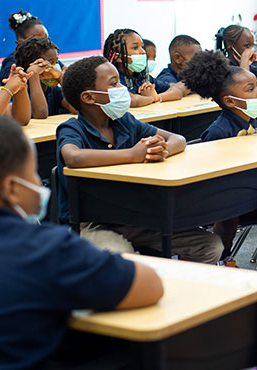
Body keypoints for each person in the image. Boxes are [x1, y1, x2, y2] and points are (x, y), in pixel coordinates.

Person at [0, 113, 163, 369]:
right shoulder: (42, 248)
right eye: (34, 174)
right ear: (12, 189)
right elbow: (149, 286)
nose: (39, 183)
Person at [56, 56, 223, 263]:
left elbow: (178, 139)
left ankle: (183, 292)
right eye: (114, 83)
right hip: (91, 223)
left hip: (135, 215)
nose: (122, 89)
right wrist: (132, 155)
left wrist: (160, 151)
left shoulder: (124, 121)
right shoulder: (73, 128)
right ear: (89, 98)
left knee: (209, 245)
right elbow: (72, 156)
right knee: (123, 257)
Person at [179, 49, 257, 268]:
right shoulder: (218, 131)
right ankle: (222, 257)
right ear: (230, 101)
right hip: (225, 197)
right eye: (251, 89)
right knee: (229, 213)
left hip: (255, 192)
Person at [103, 28, 184, 107]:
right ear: (119, 57)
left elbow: (177, 91)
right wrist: (150, 98)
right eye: (135, 48)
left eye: (142, 47)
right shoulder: (113, 79)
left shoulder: (142, 77)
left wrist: (157, 97)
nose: (143, 51)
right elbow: (132, 100)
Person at [13, 36, 73, 118]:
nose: (54, 67)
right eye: (50, 63)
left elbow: (77, 109)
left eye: (56, 62)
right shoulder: (22, 90)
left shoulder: (53, 90)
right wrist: (33, 74)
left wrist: (61, 76)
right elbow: (40, 114)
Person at [0, 10, 51, 82]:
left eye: (46, 38)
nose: (45, 42)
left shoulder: (46, 58)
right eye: (39, 38)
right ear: (21, 41)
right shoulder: (11, 64)